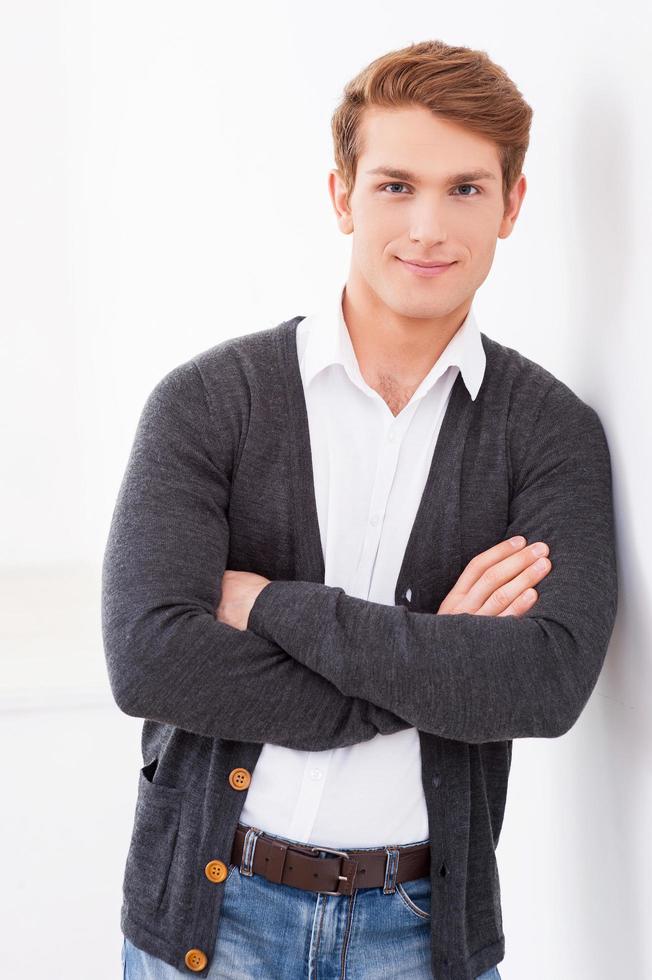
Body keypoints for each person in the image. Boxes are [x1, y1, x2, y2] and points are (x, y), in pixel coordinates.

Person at [105, 39, 618, 980]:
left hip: (423, 934)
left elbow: (543, 686)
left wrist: (267, 607)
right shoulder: (208, 400)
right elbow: (149, 660)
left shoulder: (550, 431)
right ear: (342, 195)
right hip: (213, 923)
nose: (429, 226)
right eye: (395, 186)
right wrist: (435, 664)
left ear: (513, 205)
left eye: (466, 188)